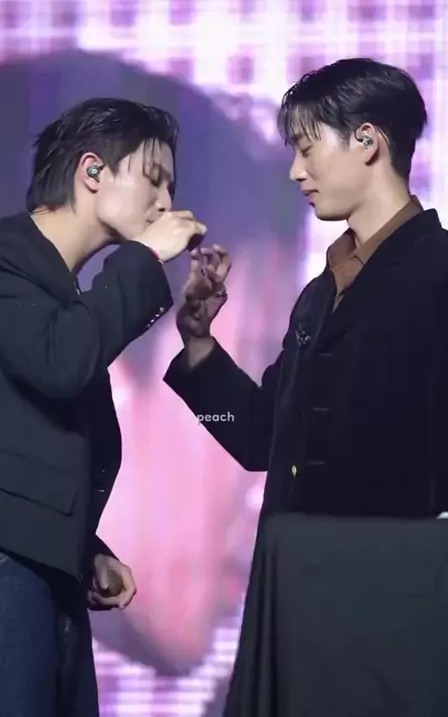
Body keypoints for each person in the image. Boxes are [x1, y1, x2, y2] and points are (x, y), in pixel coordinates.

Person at [164, 58, 448, 716]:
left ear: (368, 141)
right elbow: (260, 438)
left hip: (397, 610)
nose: (297, 171)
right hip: (297, 600)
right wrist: (199, 344)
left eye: (307, 148)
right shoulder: (319, 295)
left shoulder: (438, 274)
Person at [0, 96, 205, 717]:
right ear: (92, 172)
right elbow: (61, 363)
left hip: (40, 560)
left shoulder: (56, 283)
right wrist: (145, 257)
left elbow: (18, 436)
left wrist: (84, 546)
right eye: (154, 179)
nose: (165, 202)